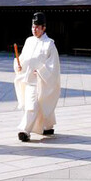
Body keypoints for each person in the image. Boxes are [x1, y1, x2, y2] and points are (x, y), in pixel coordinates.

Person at [14, 12, 61, 142]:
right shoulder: (29, 41)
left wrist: (41, 71)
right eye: (33, 27)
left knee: (42, 103)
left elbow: (53, 66)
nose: (34, 29)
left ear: (44, 28)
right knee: (32, 105)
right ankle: (27, 130)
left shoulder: (49, 44)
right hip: (30, 80)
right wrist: (18, 66)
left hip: (41, 80)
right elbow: (23, 59)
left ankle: (39, 127)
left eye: (37, 27)